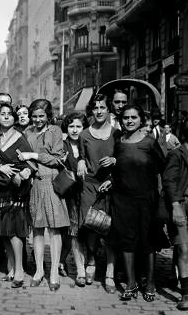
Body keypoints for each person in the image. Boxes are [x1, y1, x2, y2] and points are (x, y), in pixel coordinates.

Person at [100, 104, 165, 302]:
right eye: (126, 117)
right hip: (122, 198)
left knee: (147, 241)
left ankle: (151, 282)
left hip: (146, 199)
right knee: (126, 241)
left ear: (141, 120)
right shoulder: (119, 142)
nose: (129, 121)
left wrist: (161, 194)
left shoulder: (149, 142)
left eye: (133, 117)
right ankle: (131, 282)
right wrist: (111, 179)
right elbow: (119, 168)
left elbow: (163, 167)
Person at [18, 99, 69, 291]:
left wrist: (34, 156)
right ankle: (39, 271)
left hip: (52, 183)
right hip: (35, 184)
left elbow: (57, 159)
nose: (38, 119)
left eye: (42, 116)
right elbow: (21, 157)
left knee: (55, 230)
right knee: (37, 230)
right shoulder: (27, 132)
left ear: (48, 116)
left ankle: (54, 272)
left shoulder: (54, 131)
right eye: (34, 116)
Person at [0, 103, 33, 288]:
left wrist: (23, 174)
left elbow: (30, 164)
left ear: (14, 118)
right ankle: (11, 268)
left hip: (16, 190)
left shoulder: (20, 138)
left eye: (9, 114)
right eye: (2, 114)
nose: (5, 117)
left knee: (14, 231)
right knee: (4, 232)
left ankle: (19, 270)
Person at [76, 94, 119, 293]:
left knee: (111, 230)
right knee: (90, 226)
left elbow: (124, 160)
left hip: (112, 186)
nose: (99, 111)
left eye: (103, 107)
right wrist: (81, 161)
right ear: (91, 111)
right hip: (90, 187)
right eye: (96, 108)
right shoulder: (84, 134)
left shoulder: (117, 134)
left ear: (108, 109)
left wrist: (114, 165)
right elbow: (82, 157)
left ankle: (110, 273)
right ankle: (91, 260)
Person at [59, 111, 88, 286]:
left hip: (87, 192)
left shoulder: (88, 143)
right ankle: (81, 271)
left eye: (78, 126)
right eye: (71, 126)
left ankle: (61, 262)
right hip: (68, 194)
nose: (75, 130)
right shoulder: (62, 145)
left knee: (81, 233)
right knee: (73, 232)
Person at [164, 124, 188, 310]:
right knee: (183, 249)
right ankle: (186, 294)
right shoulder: (177, 154)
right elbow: (169, 181)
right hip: (180, 205)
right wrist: (175, 206)